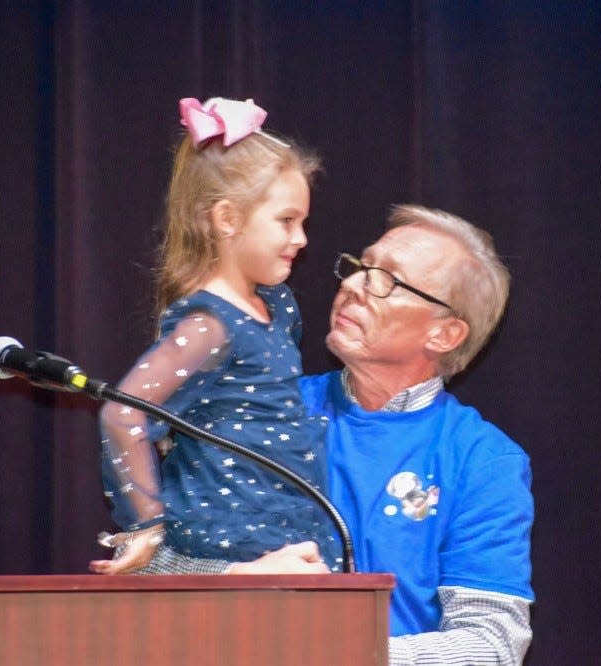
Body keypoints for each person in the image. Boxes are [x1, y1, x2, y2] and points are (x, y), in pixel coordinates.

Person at [96, 204, 534, 664]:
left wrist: (336, 656)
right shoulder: (252, 407)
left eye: (387, 279)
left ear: (444, 334)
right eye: (361, 266)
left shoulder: (482, 459)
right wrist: (232, 573)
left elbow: (492, 644)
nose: (351, 285)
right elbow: (145, 565)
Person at [89, 96, 340, 576]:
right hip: (231, 549)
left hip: (292, 537)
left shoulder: (279, 306)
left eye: (303, 222)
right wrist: (146, 523)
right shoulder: (209, 326)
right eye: (287, 221)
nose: (302, 238)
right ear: (227, 219)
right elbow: (124, 413)